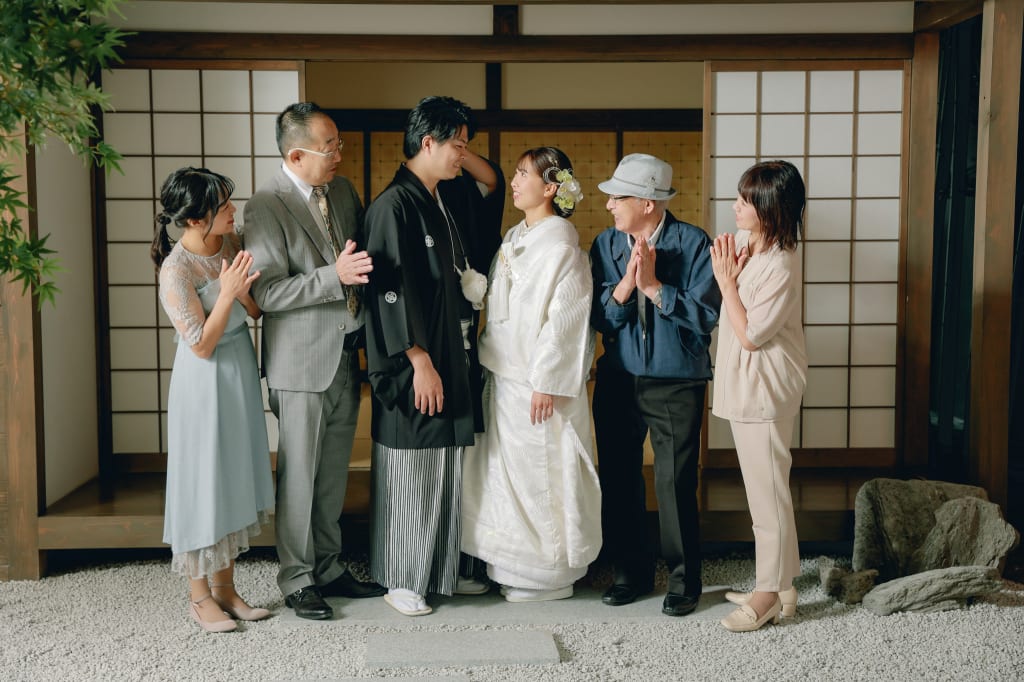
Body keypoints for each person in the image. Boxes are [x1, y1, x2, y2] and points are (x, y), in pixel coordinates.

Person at [244, 102, 385, 621]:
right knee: (299, 475)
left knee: (331, 473)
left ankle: (328, 566)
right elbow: (269, 293)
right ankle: (297, 578)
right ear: (296, 154)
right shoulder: (266, 205)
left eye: (340, 143)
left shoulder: (343, 192)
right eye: (331, 148)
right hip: (299, 362)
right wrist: (335, 276)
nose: (340, 155)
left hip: (347, 354)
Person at [363, 95, 492, 617]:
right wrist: (417, 359)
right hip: (416, 360)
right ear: (428, 142)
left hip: (448, 350)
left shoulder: (437, 197)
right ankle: (401, 577)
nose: (462, 154)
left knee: (442, 468)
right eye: (457, 144)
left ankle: (437, 571)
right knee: (412, 469)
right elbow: (388, 291)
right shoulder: (393, 205)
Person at [461, 147, 602, 602]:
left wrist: (548, 380)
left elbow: (566, 318)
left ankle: (547, 572)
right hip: (503, 372)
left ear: (550, 188)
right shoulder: (516, 234)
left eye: (524, 174)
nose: (515, 181)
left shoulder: (560, 241)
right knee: (503, 473)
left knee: (540, 471)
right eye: (517, 173)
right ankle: (510, 563)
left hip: (537, 382)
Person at [590, 153, 722, 617]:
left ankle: (685, 580)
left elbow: (706, 317)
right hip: (619, 377)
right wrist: (626, 285)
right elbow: (600, 318)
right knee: (620, 476)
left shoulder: (694, 243)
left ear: (648, 202)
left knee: (675, 481)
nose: (609, 204)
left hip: (677, 381)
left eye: (618, 196)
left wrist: (654, 287)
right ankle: (630, 572)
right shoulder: (606, 244)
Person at [152, 167, 275, 633]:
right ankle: (199, 596)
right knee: (202, 478)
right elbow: (199, 343)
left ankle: (226, 590)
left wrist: (241, 296)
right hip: (202, 381)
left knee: (232, 470)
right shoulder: (175, 269)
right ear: (196, 216)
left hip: (239, 370)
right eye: (223, 204)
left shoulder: (234, 242)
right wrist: (227, 293)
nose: (232, 210)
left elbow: (257, 307)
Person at [710, 160, 807, 633]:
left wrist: (728, 281)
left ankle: (766, 594)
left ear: (769, 208)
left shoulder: (782, 263)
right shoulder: (753, 247)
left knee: (766, 497)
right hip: (748, 385)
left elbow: (750, 335)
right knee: (768, 490)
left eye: (745, 200)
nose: (735, 207)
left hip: (765, 386)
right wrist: (731, 273)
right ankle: (784, 584)